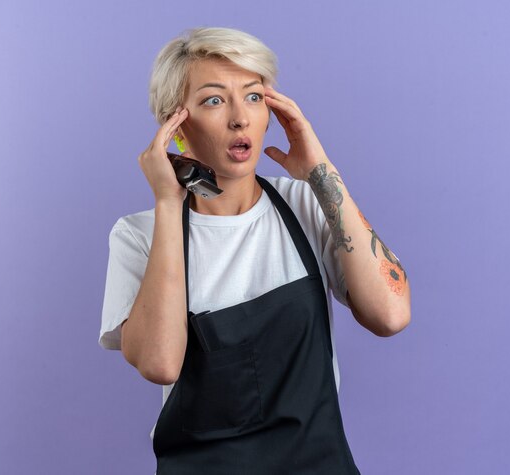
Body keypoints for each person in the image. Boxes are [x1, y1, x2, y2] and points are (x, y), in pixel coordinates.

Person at [99, 27, 411, 474]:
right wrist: (169, 204)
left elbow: (390, 315)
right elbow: (161, 363)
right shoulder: (139, 236)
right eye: (213, 100)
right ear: (176, 124)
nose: (240, 118)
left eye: (252, 96)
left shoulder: (304, 202)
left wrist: (320, 171)